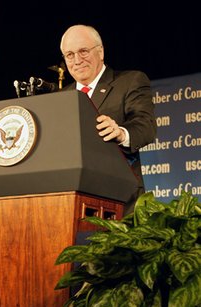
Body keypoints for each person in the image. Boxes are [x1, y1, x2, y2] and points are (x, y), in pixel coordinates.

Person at [60, 24, 157, 215]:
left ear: (101, 51)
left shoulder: (130, 81)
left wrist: (121, 133)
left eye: (83, 51)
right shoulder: (62, 97)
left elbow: (145, 126)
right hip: (71, 203)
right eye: (69, 55)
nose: (77, 60)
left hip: (119, 202)